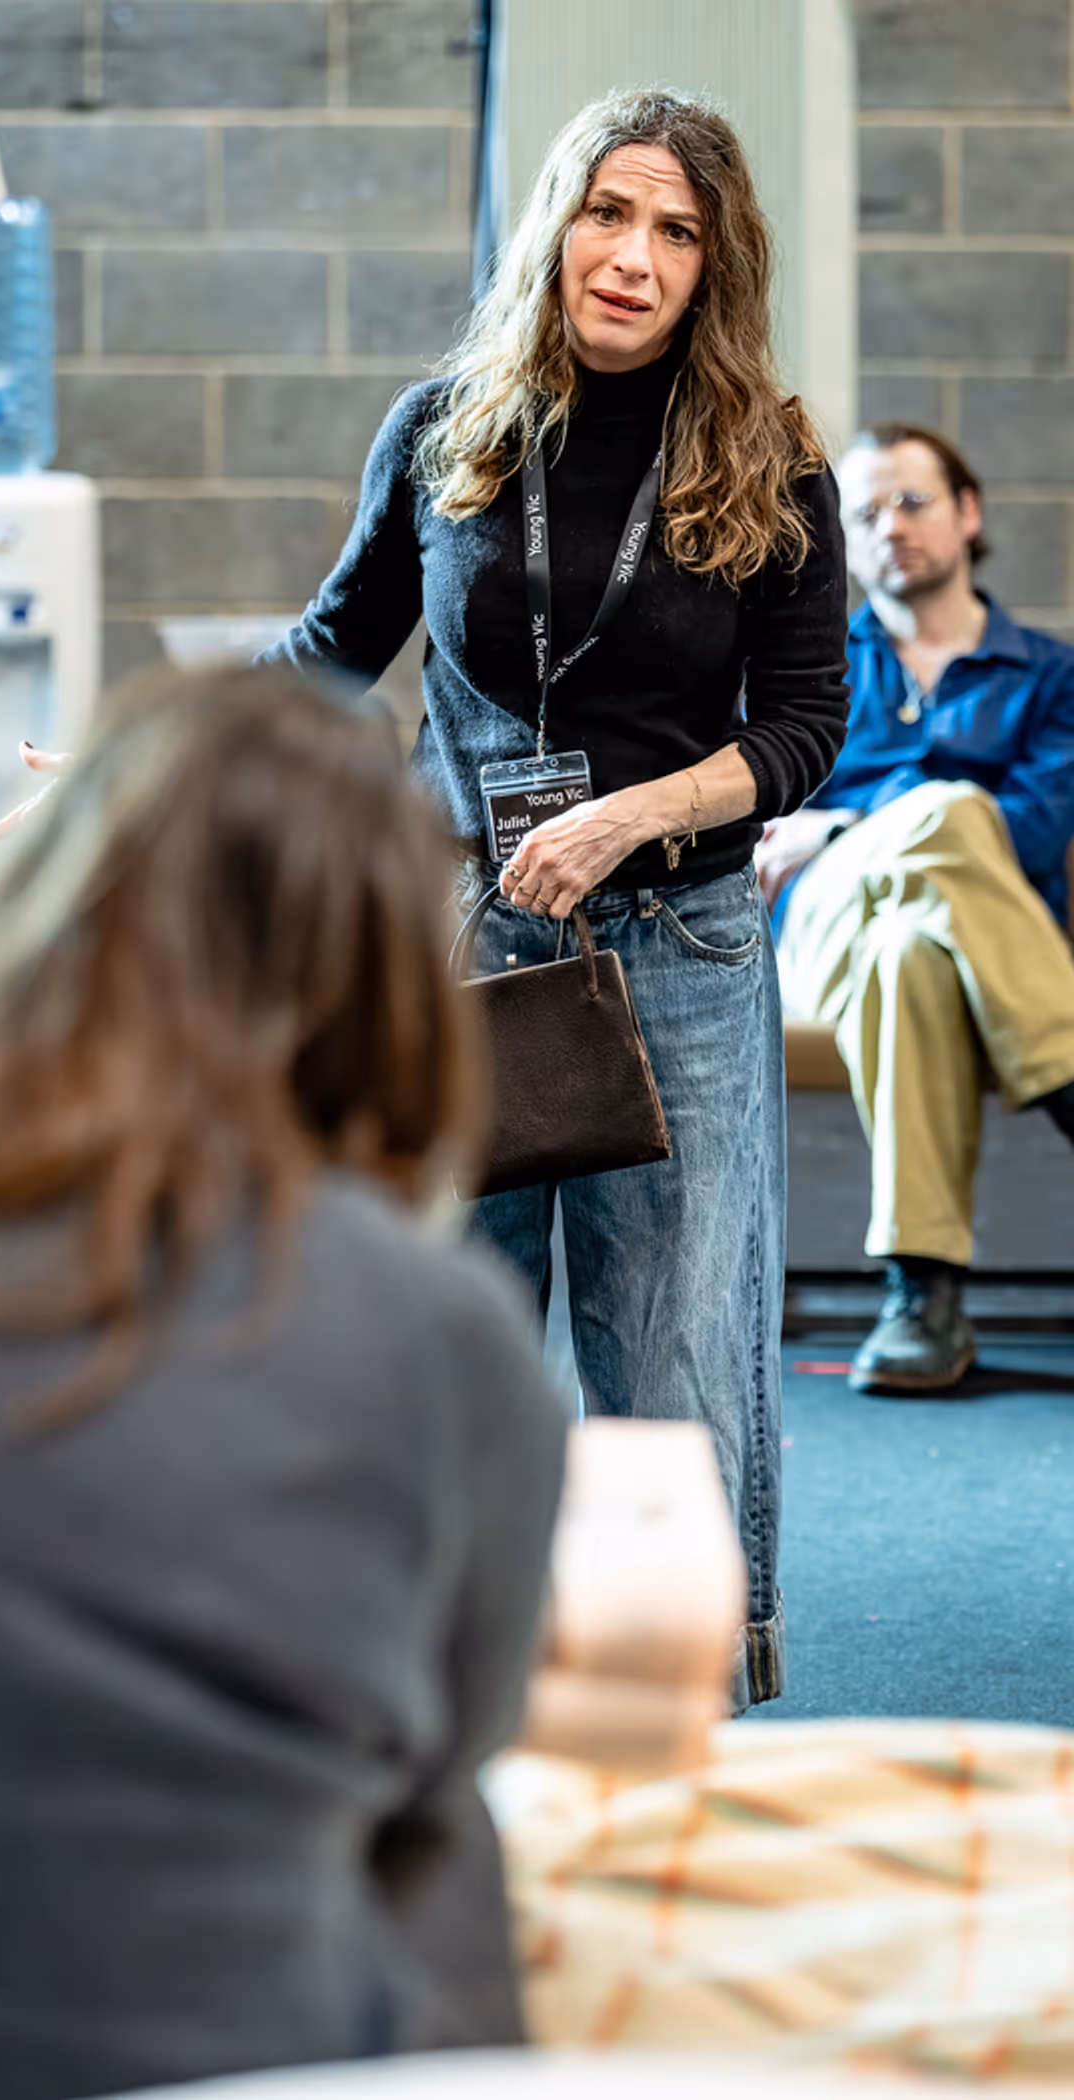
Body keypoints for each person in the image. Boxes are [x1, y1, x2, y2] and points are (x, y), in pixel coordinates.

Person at [0, 664, 567, 2100]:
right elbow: (458, 1731)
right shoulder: (426, 1329)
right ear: (383, 994)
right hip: (197, 2052)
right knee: (443, 1828)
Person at [265, 88, 851, 1711]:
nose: (634, 256)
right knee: (438, 1346)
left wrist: (633, 817)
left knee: (668, 1366)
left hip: (678, 948)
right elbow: (328, 651)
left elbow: (807, 730)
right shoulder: (446, 427)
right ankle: (418, 1711)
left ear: (715, 267)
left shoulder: (772, 460)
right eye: (609, 212)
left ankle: (673, 1724)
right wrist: (134, 755)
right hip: (462, 945)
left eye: (677, 231)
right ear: (556, 225)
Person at [760, 423, 1074, 1396]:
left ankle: (922, 1295)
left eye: (910, 501)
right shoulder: (805, 659)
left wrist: (841, 824)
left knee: (908, 945)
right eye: (863, 514)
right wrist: (866, 833)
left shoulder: (1048, 676)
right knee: (948, 813)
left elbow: (1030, 835)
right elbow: (764, 831)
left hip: (960, 941)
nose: (888, 527)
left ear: (966, 513)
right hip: (820, 931)